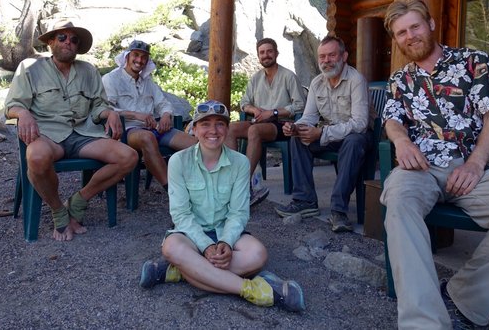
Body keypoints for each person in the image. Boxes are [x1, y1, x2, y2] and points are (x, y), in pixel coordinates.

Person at [380, 0, 489, 329]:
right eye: (401, 33)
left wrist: (474, 164)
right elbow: (392, 120)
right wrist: (401, 141)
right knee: (399, 202)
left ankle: (464, 293)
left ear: (430, 24)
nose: (409, 36)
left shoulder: (473, 61)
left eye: (415, 26)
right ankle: (424, 322)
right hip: (422, 168)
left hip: (477, 169)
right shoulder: (400, 79)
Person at [138, 100, 305, 312]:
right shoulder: (179, 161)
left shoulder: (240, 163)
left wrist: (226, 240)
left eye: (220, 124)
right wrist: (205, 246)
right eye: (205, 124)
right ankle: (254, 289)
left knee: (258, 254)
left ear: (226, 129)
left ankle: (183, 270)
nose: (213, 131)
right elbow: (180, 214)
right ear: (194, 129)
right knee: (171, 247)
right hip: (190, 235)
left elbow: (238, 213)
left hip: (225, 232)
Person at [5, 20, 138, 241]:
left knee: (129, 156)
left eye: (74, 39)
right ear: (50, 42)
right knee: (36, 157)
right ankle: (58, 210)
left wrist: (110, 113)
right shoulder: (30, 68)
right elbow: (12, 105)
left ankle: (78, 201)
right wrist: (23, 114)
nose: (69, 42)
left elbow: (98, 105)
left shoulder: (88, 70)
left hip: (84, 134)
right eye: (62, 37)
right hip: (48, 135)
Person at [274, 36, 372, 233]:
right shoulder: (317, 82)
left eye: (331, 55)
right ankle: (305, 200)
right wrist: (295, 127)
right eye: (322, 57)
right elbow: (309, 116)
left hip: (358, 137)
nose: (326, 61)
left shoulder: (356, 80)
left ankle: (339, 211)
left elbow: (360, 124)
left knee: (352, 142)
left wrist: (321, 133)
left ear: (344, 56)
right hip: (330, 134)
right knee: (298, 139)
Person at [102, 40, 197, 192]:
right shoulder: (111, 79)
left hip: (153, 128)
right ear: (127, 56)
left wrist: (166, 116)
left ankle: (200, 187)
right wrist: (135, 115)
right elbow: (106, 108)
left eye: (144, 57)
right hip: (127, 131)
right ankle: (173, 191)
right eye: (136, 55)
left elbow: (163, 104)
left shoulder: (147, 82)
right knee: (147, 138)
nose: (139, 60)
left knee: (195, 145)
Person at [224, 38, 306, 206]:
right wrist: (254, 110)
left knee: (254, 131)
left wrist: (274, 112)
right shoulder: (255, 79)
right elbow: (244, 103)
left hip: (283, 125)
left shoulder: (288, 76)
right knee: (230, 128)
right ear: (258, 56)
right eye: (262, 52)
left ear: (276, 53)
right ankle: (233, 178)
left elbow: (300, 105)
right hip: (259, 121)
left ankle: (244, 186)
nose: (266, 55)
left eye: (269, 51)